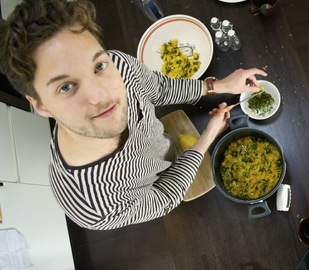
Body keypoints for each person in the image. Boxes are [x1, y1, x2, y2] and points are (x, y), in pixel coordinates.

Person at [0, 0, 267, 229]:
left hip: (165, 146)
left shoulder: (119, 65)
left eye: (98, 65)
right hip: (162, 179)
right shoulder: (92, 206)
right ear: (41, 106)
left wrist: (218, 86)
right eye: (66, 86)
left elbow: (160, 89)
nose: (101, 95)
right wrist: (207, 136)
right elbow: (163, 196)